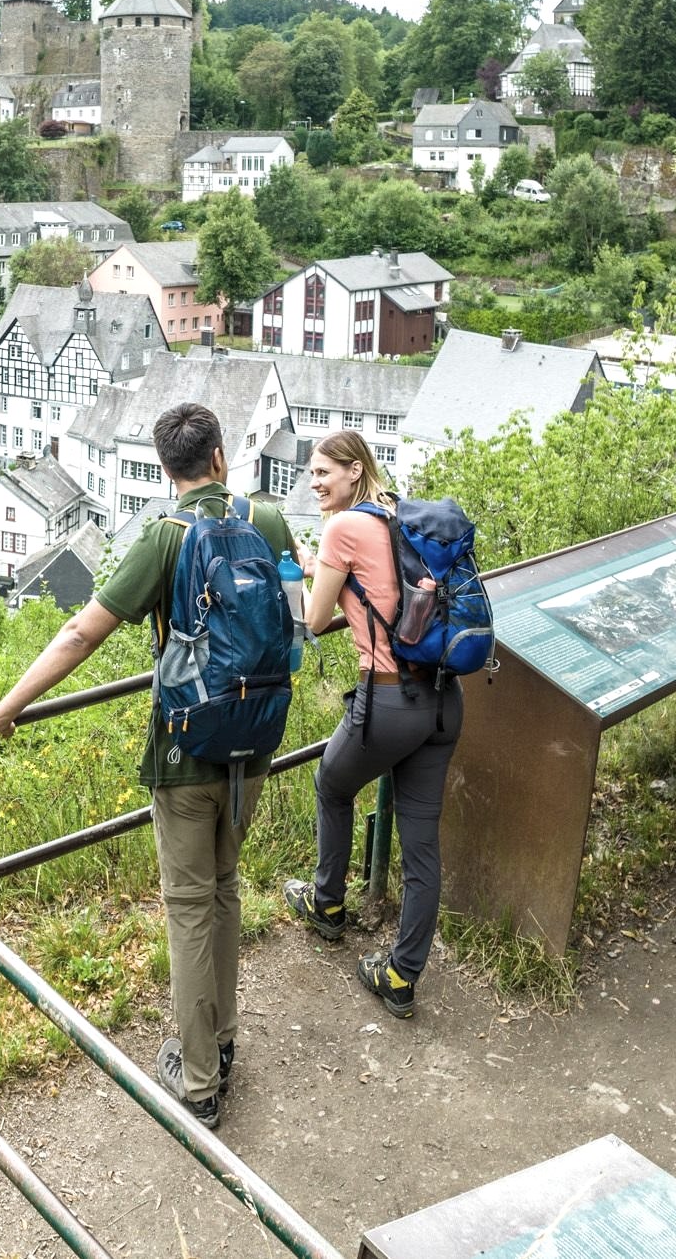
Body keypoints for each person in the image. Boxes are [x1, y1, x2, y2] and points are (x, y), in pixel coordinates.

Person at [0, 404, 294, 1128]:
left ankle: (200, 1080)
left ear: (166, 468)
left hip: (186, 748)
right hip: (256, 740)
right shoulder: (270, 521)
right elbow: (296, 620)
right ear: (220, 458)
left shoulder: (164, 536)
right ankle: (224, 1039)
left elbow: (81, 633)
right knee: (225, 888)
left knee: (189, 906)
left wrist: (8, 706)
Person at [282, 430, 459, 1021]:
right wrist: (325, 567)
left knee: (332, 785)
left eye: (323, 472)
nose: (314, 482)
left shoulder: (342, 528)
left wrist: (307, 572)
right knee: (422, 846)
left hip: (388, 699)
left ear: (354, 470)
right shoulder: (400, 516)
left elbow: (314, 619)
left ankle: (328, 904)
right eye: (311, 473)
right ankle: (402, 976)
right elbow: (379, 583)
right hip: (443, 698)